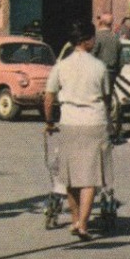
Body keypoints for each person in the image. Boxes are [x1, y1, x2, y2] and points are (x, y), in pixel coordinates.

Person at [43, 20, 112, 241]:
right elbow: (107, 96)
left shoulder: (61, 65)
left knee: (70, 177)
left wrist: (49, 121)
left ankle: (75, 219)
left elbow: (49, 96)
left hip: (69, 122)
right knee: (91, 177)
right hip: (94, 122)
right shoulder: (99, 67)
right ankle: (83, 224)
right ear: (88, 40)